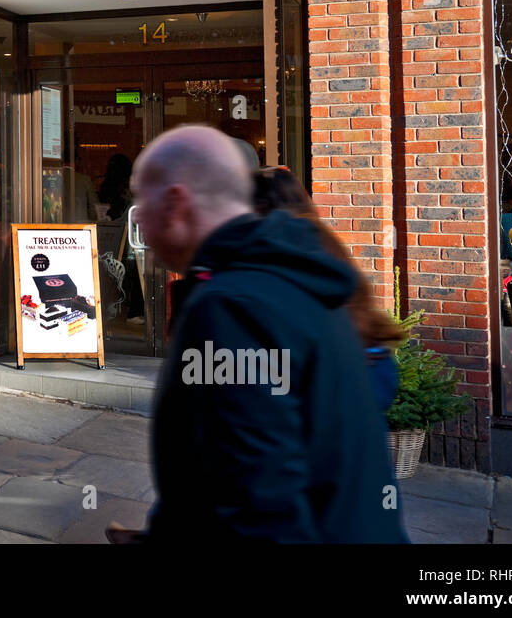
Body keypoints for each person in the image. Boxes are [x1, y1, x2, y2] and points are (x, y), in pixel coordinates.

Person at [112, 124, 406, 543]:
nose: (137, 215)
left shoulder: (232, 308)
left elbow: (256, 507)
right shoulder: (295, 277)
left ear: (177, 203)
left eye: (144, 199)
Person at [251, 166, 407, 412]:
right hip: (370, 364)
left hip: (337, 377)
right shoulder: (321, 238)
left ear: (259, 209)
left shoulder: (283, 245)